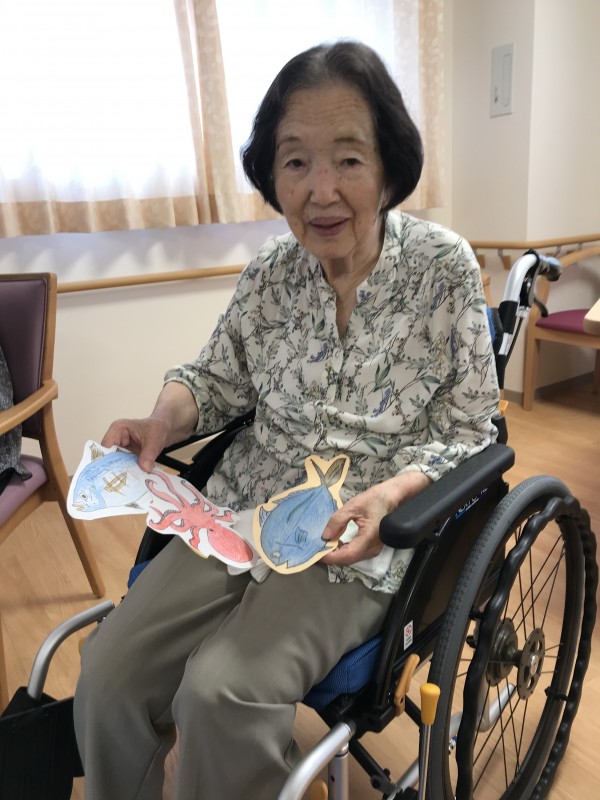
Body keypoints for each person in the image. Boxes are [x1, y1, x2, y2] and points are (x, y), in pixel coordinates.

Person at [74, 40, 500, 799]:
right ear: (272, 175)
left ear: (389, 167)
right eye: (295, 161)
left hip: (356, 533)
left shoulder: (444, 270)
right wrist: (160, 421)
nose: (321, 190)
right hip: (241, 511)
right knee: (108, 671)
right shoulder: (271, 274)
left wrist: (393, 496)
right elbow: (215, 377)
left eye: (348, 158)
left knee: (220, 691)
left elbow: (472, 434)